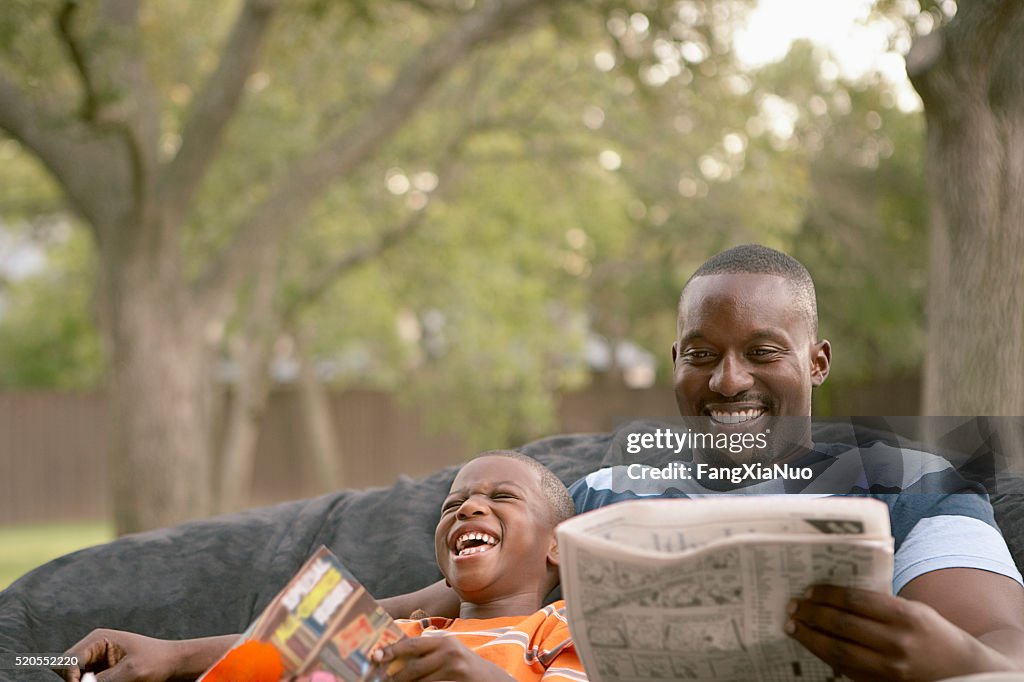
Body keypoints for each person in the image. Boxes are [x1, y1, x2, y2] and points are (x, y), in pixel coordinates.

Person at [569, 244, 1024, 680]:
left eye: (762, 352)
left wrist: (954, 659)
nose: (728, 382)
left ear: (817, 363)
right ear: (676, 363)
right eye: (701, 355)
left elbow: (1005, 646)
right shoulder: (600, 496)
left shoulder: (915, 485)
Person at [61, 451, 586, 682]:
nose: (468, 508)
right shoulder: (402, 633)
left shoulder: (564, 630)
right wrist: (172, 657)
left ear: (558, 546)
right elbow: (268, 655)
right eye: (451, 506)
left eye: (502, 497)